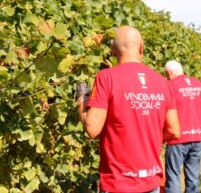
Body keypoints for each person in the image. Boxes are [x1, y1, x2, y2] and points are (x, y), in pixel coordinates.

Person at [77, 26, 181, 192]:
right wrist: (147, 139)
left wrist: (81, 101)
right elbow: (174, 131)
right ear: (141, 48)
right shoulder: (163, 82)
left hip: (118, 183)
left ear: (112, 50)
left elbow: (92, 129)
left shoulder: (106, 77)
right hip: (151, 180)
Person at [163, 60, 201, 193]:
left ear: (169, 72)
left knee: (173, 176)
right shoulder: (198, 83)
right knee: (193, 175)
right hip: (197, 136)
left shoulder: (169, 86)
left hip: (177, 139)